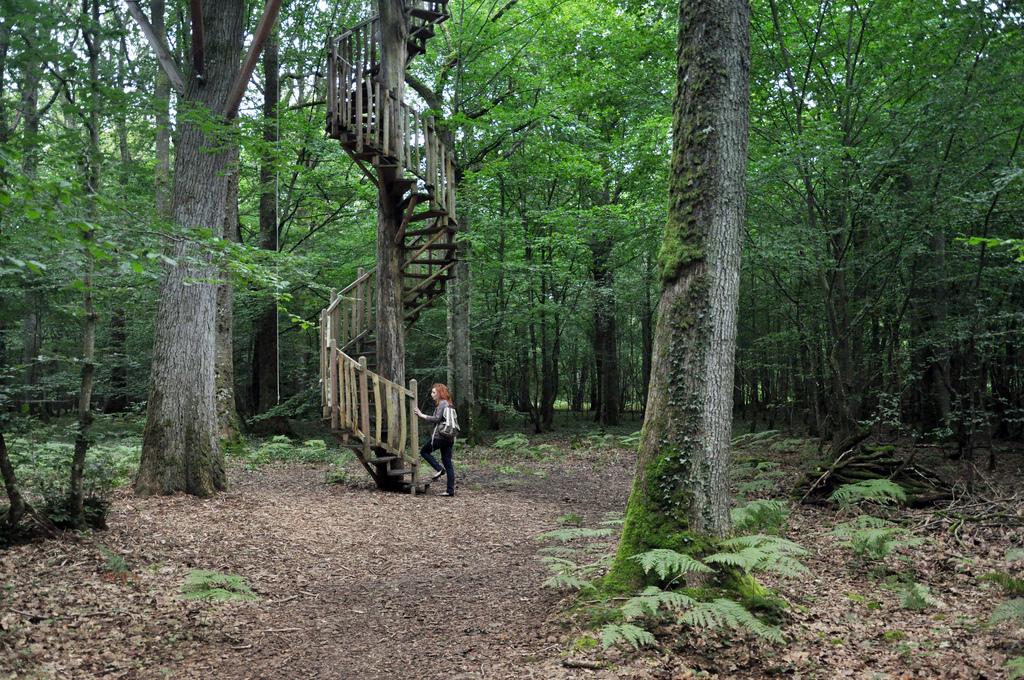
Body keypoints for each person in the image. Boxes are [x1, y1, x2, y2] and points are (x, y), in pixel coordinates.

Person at [414, 383, 456, 497]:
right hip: (449, 438)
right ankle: (450, 491)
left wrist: (422, 415)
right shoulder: (449, 404)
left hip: (440, 437)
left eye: (434, 392)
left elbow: (437, 419)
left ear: (439, 393)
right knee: (448, 463)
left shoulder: (442, 403)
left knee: (424, 451)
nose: (432, 394)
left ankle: (439, 469)